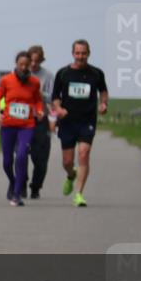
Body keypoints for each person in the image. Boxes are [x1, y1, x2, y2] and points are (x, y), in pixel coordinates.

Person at [51, 39, 108, 208]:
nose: (80, 56)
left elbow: (103, 91)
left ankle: (79, 194)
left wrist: (104, 103)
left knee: (84, 153)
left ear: (89, 54)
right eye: (77, 53)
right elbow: (55, 97)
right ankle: (70, 175)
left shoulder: (97, 73)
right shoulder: (63, 73)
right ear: (72, 53)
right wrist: (58, 109)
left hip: (87, 120)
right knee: (67, 161)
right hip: (67, 122)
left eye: (83, 53)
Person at [0, 51, 45, 206]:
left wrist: (40, 110)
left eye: (26, 65)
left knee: (22, 156)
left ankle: (16, 194)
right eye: (20, 64)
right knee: (7, 162)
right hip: (8, 125)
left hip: (26, 126)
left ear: (30, 65)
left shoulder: (34, 82)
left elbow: (38, 101)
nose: (23, 67)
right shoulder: (6, 80)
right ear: (16, 64)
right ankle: (13, 181)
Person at [25, 45, 55, 199]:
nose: (33, 64)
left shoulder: (48, 76)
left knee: (40, 159)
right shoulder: (19, 73)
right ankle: (21, 184)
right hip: (22, 120)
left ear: (41, 61)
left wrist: (37, 92)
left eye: (37, 61)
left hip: (41, 119)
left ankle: (36, 186)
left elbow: (52, 98)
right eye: (31, 60)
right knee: (21, 154)